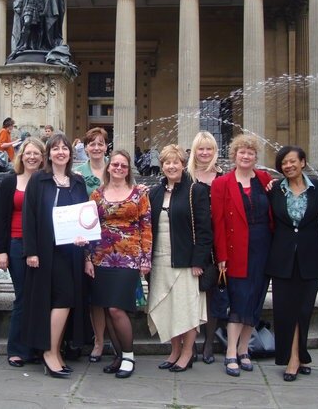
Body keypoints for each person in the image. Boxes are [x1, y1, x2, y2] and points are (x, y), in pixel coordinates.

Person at [22, 133, 90, 378]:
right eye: (55, 148)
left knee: (67, 300)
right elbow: (28, 217)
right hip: (45, 251)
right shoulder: (39, 180)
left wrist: (85, 240)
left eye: (65, 148)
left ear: (71, 154)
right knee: (59, 300)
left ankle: (56, 351)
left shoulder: (78, 181)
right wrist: (30, 251)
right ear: (48, 154)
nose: (60, 152)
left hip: (71, 252)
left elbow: (84, 216)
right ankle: (49, 352)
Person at [86, 150, 152, 379]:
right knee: (106, 307)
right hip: (101, 256)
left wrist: (146, 257)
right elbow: (89, 226)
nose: (118, 168)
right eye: (115, 164)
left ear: (128, 169)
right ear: (108, 167)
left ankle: (129, 356)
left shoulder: (138, 194)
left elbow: (146, 226)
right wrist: (88, 258)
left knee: (116, 308)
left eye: (123, 165)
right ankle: (118, 355)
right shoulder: (97, 194)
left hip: (129, 257)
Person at [211, 134, 273, 377]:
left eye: (250, 153)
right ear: (234, 155)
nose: (246, 156)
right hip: (236, 250)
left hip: (263, 248)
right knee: (238, 301)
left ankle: (245, 349)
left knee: (255, 301)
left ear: (256, 157)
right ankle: (230, 353)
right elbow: (218, 223)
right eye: (241, 152)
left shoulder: (265, 180)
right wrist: (221, 257)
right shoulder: (222, 183)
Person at [148, 144, 211, 373]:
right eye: (167, 162)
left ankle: (187, 353)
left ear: (183, 165)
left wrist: (198, 261)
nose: (171, 166)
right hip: (159, 260)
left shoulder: (196, 190)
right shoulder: (154, 193)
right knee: (167, 308)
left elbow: (205, 230)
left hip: (186, 261)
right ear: (162, 166)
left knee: (186, 308)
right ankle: (174, 351)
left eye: (176, 162)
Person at [265, 146, 318, 381]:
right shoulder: (274, 190)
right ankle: (292, 359)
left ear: (303, 162)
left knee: (304, 310)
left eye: (292, 162)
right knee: (284, 310)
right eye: (283, 163)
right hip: (282, 258)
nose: (288, 166)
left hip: (311, 257)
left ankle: (299, 355)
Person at [0, 137, 46, 367]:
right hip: (16, 244)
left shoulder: (47, 182)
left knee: (40, 297)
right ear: (21, 156)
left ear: (42, 157)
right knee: (23, 296)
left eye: (37, 153)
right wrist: (1, 251)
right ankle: (16, 349)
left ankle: (36, 347)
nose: (32, 157)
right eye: (28, 153)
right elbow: (1, 219)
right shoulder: (9, 182)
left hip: (42, 246)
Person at [186, 131, 226, 365]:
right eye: (200, 148)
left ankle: (209, 342)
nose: (204, 153)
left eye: (209, 148)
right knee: (191, 294)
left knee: (211, 294)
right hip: (193, 243)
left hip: (217, 243)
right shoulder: (186, 177)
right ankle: (189, 344)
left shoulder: (223, 177)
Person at [74, 127, 109, 362]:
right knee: (96, 295)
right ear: (85, 148)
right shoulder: (77, 173)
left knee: (114, 294)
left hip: (115, 240)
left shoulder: (118, 167)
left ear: (106, 146)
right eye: (92, 144)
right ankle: (98, 341)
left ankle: (117, 339)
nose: (96, 147)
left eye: (100, 143)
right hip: (90, 240)